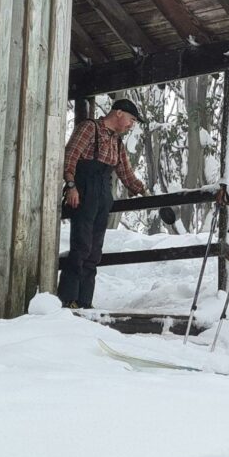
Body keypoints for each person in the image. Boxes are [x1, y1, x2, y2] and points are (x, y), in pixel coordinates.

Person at [57, 97, 149, 309]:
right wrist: (71, 186)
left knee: (94, 251)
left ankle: (85, 301)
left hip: (103, 195)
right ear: (118, 113)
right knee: (81, 246)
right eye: (131, 119)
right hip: (84, 192)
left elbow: (126, 174)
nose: (131, 125)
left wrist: (143, 191)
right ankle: (67, 299)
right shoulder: (89, 128)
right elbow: (69, 156)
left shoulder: (117, 142)